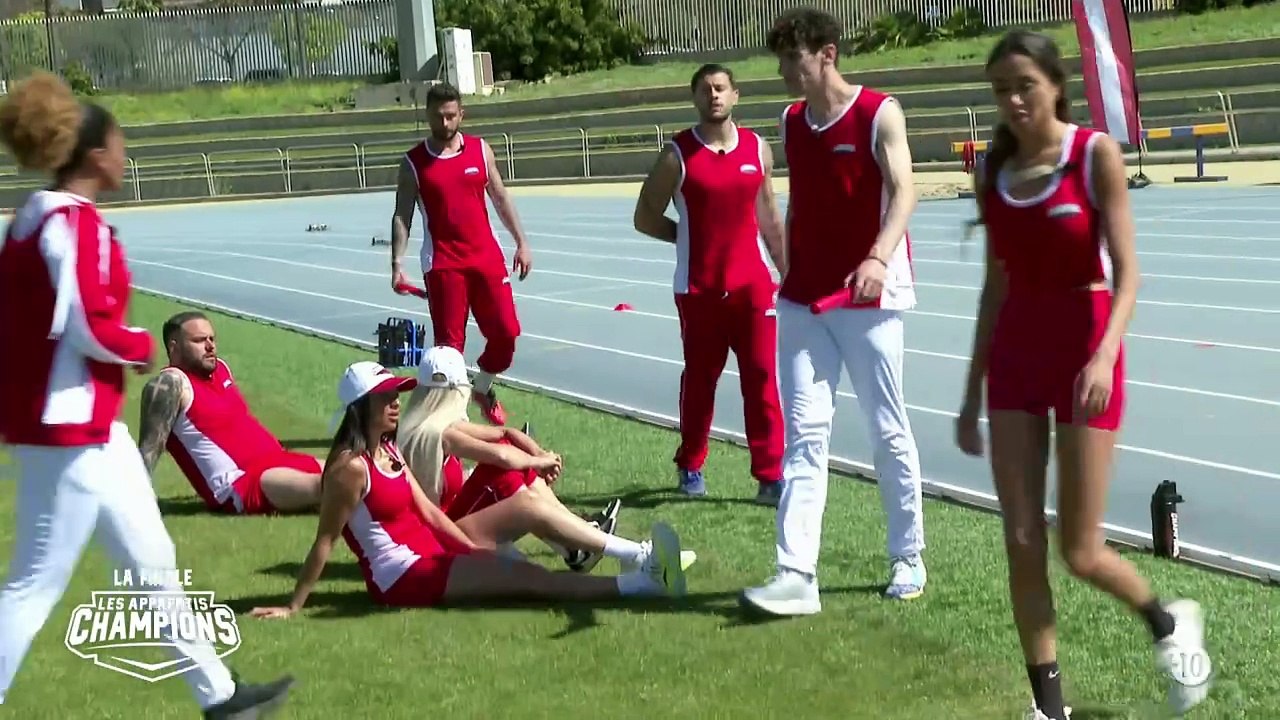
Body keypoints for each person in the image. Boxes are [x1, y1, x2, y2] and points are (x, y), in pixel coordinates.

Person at [0, 71, 293, 718]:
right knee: (32, 585)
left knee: (153, 560)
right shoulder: (77, 226)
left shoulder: (30, 217)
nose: (125, 156)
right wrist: (137, 346)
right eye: (120, 144)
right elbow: (85, 325)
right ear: (95, 155)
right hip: (71, 433)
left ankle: (220, 697)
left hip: (84, 430)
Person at [954, 30, 1211, 720]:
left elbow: (1128, 274)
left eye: (1024, 86)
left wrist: (1102, 355)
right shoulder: (991, 173)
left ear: (1055, 85)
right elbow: (993, 289)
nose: (1012, 100)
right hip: (1015, 360)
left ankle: (1167, 620)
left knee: (1079, 548)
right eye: (1000, 89)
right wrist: (969, 393)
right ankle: (1049, 707)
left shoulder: (1093, 154)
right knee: (1019, 539)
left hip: (1084, 355)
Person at [741, 7, 928, 615]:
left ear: (826, 54)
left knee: (887, 428)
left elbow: (905, 191)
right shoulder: (793, 121)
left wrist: (878, 256)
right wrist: (788, 265)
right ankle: (796, 574)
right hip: (803, 300)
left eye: (792, 59)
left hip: (868, 297)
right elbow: (801, 202)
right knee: (805, 435)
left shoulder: (880, 112)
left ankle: (908, 554)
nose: (785, 71)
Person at [248, 361, 688, 619]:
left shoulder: (388, 450)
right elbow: (324, 541)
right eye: (387, 397)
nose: (398, 401)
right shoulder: (349, 469)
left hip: (434, 551)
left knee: (522, 527)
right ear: (361, 407)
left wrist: (470, 551)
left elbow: (432, 515)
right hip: (403, 576)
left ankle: (640, 564)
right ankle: (643, 586)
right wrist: (293, 605)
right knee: (532, 581)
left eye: (399, 392)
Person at [632, 62, 787, 506]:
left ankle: (770, 474)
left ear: (735, 95)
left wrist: (786, 273)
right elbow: (644, 217)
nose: (714, 96)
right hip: (699, 289)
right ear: (695, 99)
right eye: (705, 90)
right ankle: (691, 465)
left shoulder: (758, 150)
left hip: (754, 287)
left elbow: (770, 219)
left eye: (721, 88)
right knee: (702, 380)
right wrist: (684, 236)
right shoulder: (676, 155)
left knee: (762, 379)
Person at [397, 345, 639, 574]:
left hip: (446, 523)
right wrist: (539, 463)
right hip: (442, 536)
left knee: (511, 462)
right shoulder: (443, 434)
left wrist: (539, 454)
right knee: (506, 471)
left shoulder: (421, 427)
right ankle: (579, 541)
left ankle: (578, 540)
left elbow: (506, 434)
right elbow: (501, 455)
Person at [389, 81, 532, 427]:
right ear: (427, 116)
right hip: (443, 265)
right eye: (439, 117)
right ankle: (454, 421)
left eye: (452, 116)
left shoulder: (480, 151)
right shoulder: (414, 163)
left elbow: (499, 197)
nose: (446, 123)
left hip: (486, 257)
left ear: (461, 114)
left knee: (506, 332)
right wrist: (397, 264)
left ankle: (482, 388)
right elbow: (402, 215)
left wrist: (521, 242)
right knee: (449, 351)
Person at [137, 311, 323, 515]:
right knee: (334, 485)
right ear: (175, 347)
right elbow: (149, 448)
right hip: (244, 483)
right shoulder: (170, 385)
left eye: (211, 338)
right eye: (199, 340)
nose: (210, 346)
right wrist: (138, 493)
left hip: (279, 460)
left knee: (357, 469)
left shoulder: (221, 369)